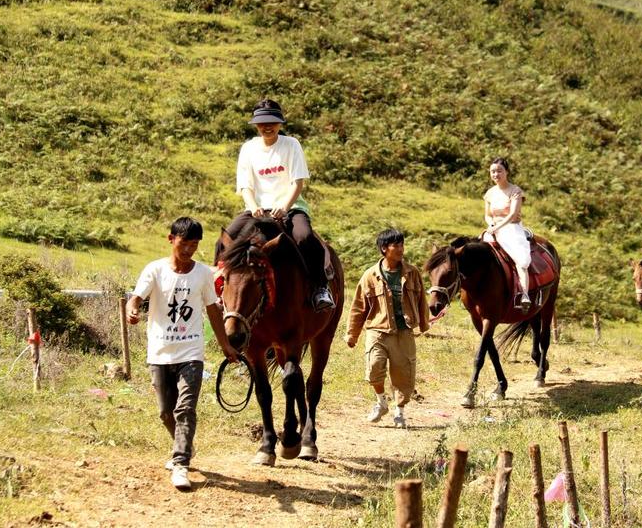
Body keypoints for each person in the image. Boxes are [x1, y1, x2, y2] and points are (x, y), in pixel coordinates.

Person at [126, 217, 239, 490]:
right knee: (166, 412)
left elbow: (213, 310)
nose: (189, 249)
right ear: (171, 239)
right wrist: (132, 308)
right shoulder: (154, 270)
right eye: (184, 242)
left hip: (191, 352)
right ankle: (184, 443)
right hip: (160, 351)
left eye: (194, 244)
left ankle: (180, 463)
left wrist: (226, 345)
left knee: (185, 408)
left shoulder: (202, 274)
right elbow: (137, 297)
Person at [235, 98, 334, 311]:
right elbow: (245, 186)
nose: (267, 127)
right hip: (257, 210)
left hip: (290, 207)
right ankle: (220, 290)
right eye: (262, 123)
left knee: (305, 237)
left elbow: (297, 183)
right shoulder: (248, 148)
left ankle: (320, 288)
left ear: (280, 123)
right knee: (226, 240)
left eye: (272, 122)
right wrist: (253, 206)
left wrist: (285, 207)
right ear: (255, 125)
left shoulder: (291, 145)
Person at [345, 229, 430, 428]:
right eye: (396, 246)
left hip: (404, 332)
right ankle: (381, 402)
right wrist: (352, 333)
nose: (401, 249)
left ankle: (399, 412)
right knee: (374, 368)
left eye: (402, 245)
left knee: (403, 374)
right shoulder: (370, 276)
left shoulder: (412, 273)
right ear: (384, 249)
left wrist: (424, 324)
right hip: (377, 330)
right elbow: (359, 306)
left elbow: (421, 301)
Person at [483, 157, 532, 310]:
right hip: (494, 227)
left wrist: (498, 227)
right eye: (493, 171)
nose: (496, 174)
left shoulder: (515, 191)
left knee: (521, 261)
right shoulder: (490, 193)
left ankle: (525, 294)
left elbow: (512, 214)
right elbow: (487, 215)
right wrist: (491, 224)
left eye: (499, 171)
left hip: (512, 228)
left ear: (506, 172)